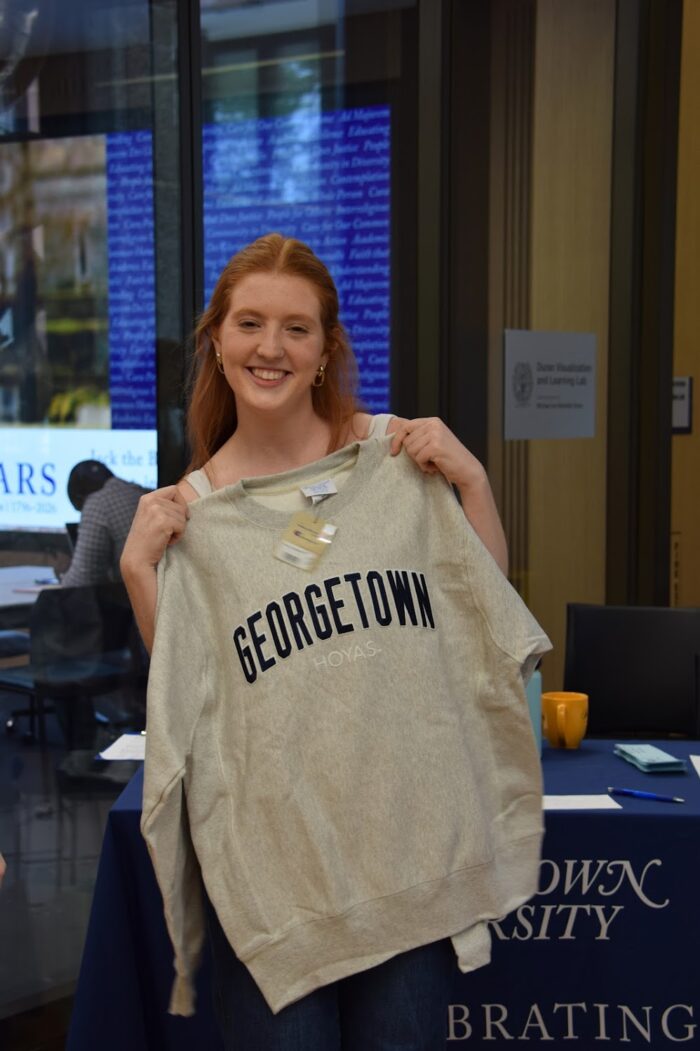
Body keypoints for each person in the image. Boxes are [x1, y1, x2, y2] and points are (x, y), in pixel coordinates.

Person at [121, 233, 550, 1050]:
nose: (270, 348)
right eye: (250, 324)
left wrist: (473, 484)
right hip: (276, 885)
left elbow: (478, 626)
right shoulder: (191, 511)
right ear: (218, 339)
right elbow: (187, 704)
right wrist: (144, 576)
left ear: (325, 350)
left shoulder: (392, 454)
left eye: (296, 328)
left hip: (404, 862)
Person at [61, 460, 150, 587]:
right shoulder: (138, 491)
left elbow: (81, 579)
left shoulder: (98, 503)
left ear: (80, 497)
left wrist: (63, 579)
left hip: (136, 599)